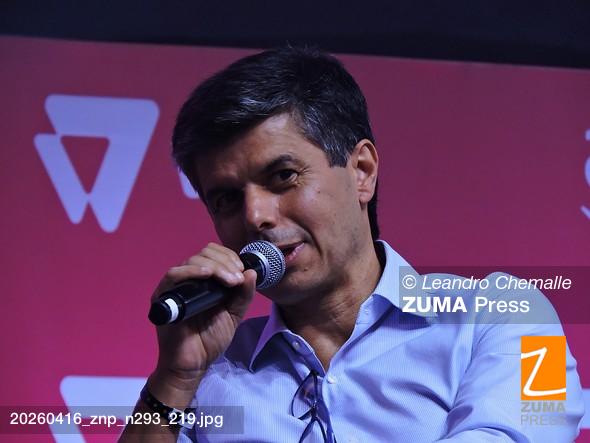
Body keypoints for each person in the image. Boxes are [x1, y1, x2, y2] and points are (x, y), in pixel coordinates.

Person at [120, 46, 584, 443]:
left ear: (362, 171)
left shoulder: (512, 317)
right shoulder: (207, 375)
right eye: (226, 199)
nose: (255, 215)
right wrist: (174, 380)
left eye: (283, 176)